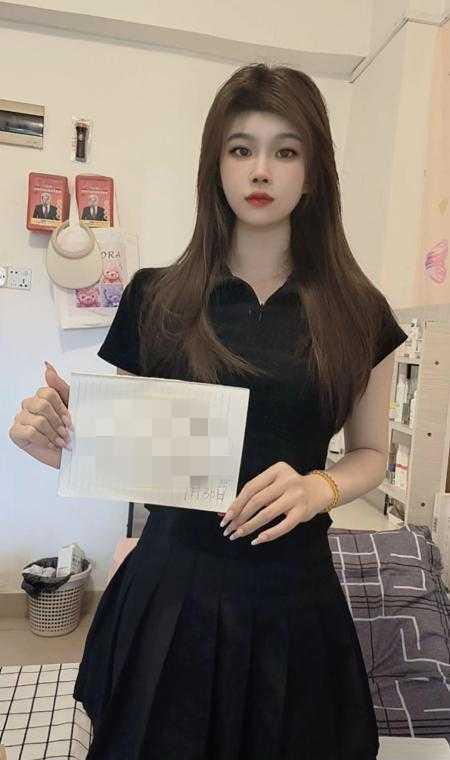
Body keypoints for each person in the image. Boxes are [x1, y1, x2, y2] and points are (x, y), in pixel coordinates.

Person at [9, 63, 408, 759]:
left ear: (314, 174)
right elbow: (134, 456)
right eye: (240, 148)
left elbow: (373, 452)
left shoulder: (358, 310)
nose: (261, 169)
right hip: (172, 586)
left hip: (295, 594)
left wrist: (320, 486)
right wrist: (63, 441)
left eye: (286, 151)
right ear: (215, 166)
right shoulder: (156, 297)